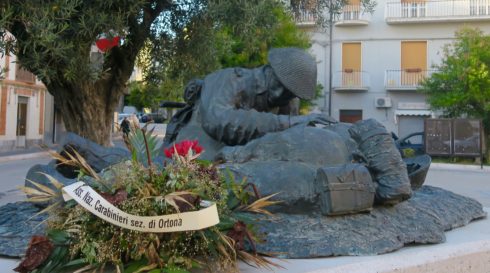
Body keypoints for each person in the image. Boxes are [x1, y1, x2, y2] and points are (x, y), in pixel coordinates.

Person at [164, 47, 335, 160]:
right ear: (270, 71)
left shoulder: (287, 99)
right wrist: (286, 123)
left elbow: (286, 139)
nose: (281, 95)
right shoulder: (228, 79)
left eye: (289, 93)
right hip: (194, 153)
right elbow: (218, 121)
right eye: (280, 85)